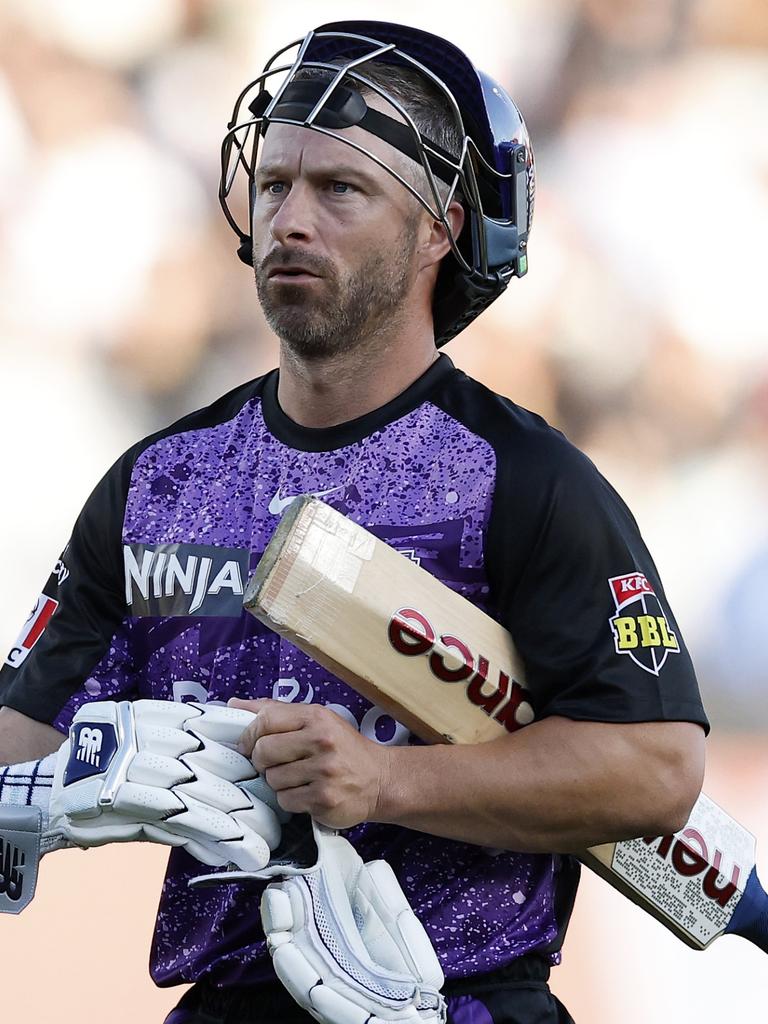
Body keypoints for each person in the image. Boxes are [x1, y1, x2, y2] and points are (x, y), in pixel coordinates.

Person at [0, 20, 707, 1024]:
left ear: (441, 229)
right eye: (277, 183)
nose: (291, 219)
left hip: (462, 1007)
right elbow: (21, 732)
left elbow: (656, 768)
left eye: (341, 190)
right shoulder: (156, 482)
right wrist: (84, 769)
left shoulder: (528, 481)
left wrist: (383, 779)